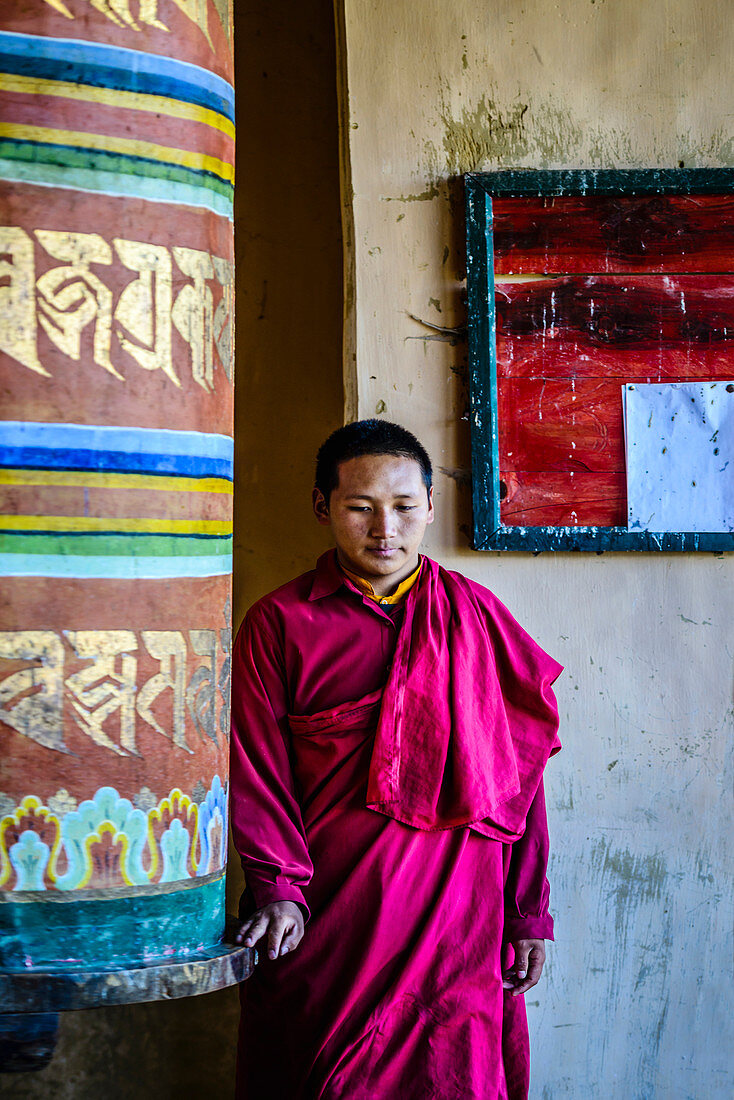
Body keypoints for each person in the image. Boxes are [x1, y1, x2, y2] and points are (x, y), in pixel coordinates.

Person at [230, 419, 562, 1100]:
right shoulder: (282, 623)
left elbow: (519, 777)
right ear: (323, 508)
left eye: (406, 507)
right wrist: (278, 889)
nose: (386, 528)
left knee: (454, 1076)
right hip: (335, 918)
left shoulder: (476, 615)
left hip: (459, 921)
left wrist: (528, 911)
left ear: (431, 506)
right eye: (360, 507)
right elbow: (254, 769)